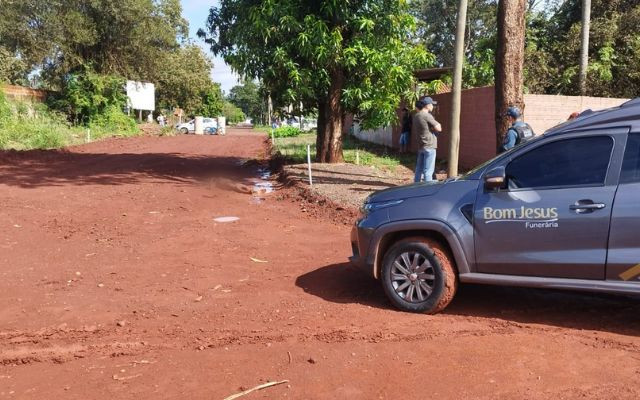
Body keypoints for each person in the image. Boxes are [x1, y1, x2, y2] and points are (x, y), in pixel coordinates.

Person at [413, 97, 442, 183]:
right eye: (432, 104)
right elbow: (439, 128)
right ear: (427, 105)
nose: (433, 106)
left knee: (419, 168)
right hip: (430, 145)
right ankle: (427, 189)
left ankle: (416, 186)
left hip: (421, 145)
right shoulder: (427, 115)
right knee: (428, 171)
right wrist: (436, 125)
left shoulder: (416, 116)